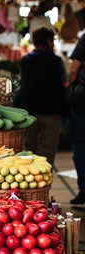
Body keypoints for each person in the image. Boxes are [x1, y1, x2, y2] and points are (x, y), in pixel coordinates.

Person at [16, 27, 67, 167]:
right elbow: (64, 82)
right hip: (52, 111)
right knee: (48, 150)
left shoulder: (26, 60)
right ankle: (45, 177)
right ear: (49, 41)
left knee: (29, 148)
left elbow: (23, 83)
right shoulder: (57, 61)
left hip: (30, 110)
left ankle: (32, 179)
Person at [68, 33, 85, 205]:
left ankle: (84, 190)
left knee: (80, 146)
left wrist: (69, 85)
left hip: (82, 105)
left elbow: (74, 69)